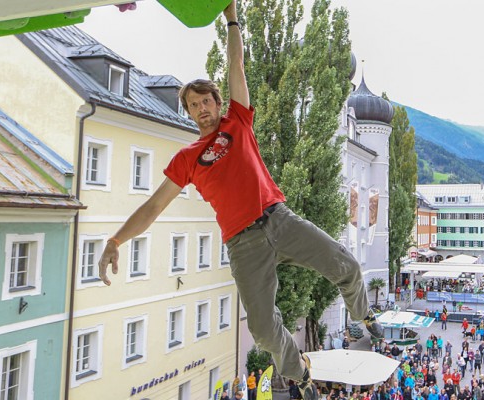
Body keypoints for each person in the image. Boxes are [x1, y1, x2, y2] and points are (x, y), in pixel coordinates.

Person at [96, 2, 383, 399]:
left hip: (278, 219)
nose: (201, 109)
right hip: (243, 244)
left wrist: (231, 18)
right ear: (190, 113)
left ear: (217, 102)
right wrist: (115, 241)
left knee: (345, 263)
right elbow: (152, 208)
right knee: (263, 329)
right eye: (193, 106)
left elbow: (236, 67)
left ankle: (362, 315)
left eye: (206, 101)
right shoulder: (187, 159)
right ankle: (298, 372)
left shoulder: (238, 122)